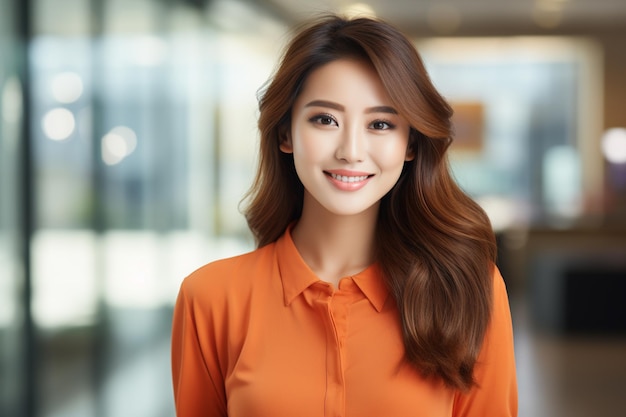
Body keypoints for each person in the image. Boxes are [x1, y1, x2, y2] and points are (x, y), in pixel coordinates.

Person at [171, 14, 517, 417]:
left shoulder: (471, 290)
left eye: (381, 124)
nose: (351, 150)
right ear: (286, 133)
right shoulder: (211, 298)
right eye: (325, 119)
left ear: (410, 144)